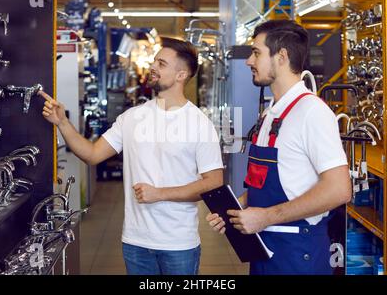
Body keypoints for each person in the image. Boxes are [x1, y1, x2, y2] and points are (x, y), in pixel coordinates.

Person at [39, 37, 224, 275]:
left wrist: (160, 194)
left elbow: (214, 182)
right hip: (135, 242)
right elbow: (93, 154)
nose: (153, 67)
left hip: (178, 244)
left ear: (181, 75)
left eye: (162, 63)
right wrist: (62, 123)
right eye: (155, 61)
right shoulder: (132, 117)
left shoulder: (199, 123)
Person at [206, 20, 352, 275]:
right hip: (264, 251)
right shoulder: (271, 115)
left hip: (297, 256)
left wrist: (266, 217)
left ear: (281, 56)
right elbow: (267, 183)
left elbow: (339, 190)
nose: (249, 61)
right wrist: (236, 210)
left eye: (256, 52)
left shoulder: (312, 112)